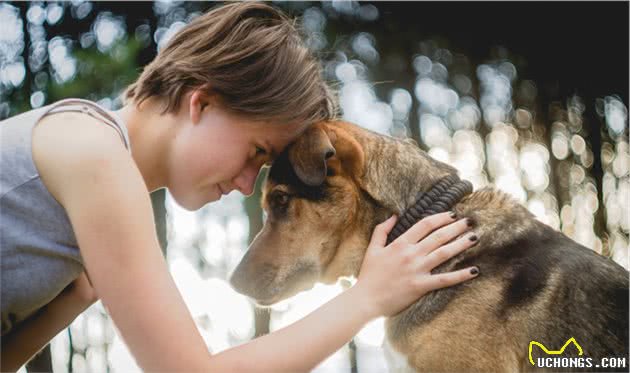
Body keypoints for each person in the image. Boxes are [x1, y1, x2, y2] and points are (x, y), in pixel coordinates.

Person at [0, 3, 479, 371]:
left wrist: (66, 304)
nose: (250, 185)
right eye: (257, 151)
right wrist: (368, 299)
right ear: (202, 102)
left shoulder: (85, 173)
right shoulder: (93, 152)